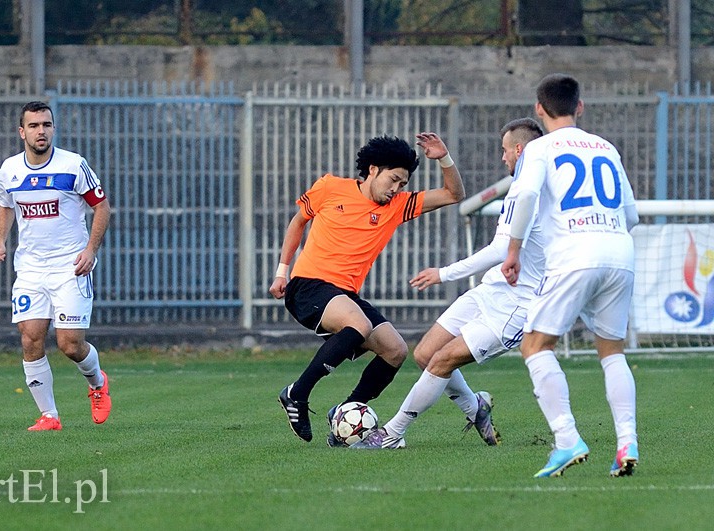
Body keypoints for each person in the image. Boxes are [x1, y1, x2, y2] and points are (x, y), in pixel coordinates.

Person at [352, 118, 545, 450]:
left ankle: (391, 433)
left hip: (518, 306)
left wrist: (444, 273)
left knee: (443, 360)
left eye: (504, 151)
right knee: (426, 354)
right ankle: (476, 408)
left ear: (520, 149)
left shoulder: (535, 189)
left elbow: (501, 250)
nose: (503, 159)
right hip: (491, 290)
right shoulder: (521, 186)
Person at [270, 133, 466, 444]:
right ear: (373, 169)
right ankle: (297, 393)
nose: (396, 189)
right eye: (393, 180)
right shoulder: (330, 187)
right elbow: (298, 222)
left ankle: (345, 414)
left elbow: (453, 194)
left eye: (402, 184)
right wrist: (282, 272)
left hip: (344, 296)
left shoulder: (398, 206)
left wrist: (444, 158)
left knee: (395, 350)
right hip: (307, 287)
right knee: (358, 323)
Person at [501, 74, 640, 477]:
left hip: (575, 251)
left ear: (539, 110)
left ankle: (566, 439)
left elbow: (525, 196)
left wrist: (514, 251)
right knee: (612, 350)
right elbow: (631, 215)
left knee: (535, 345)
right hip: (619, 250)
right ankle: (626, 441)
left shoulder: (539, 148)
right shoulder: (606, 147)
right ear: (581, 107)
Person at [0, 101, 112, 431]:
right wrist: (1, 240)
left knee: (69, 343)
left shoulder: (73, 165)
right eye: (34, 126)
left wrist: (89, 250)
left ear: (53, 128)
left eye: (46, 124)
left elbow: (102, 208)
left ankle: (98, 383)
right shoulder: (10, 169)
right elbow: (4, 204)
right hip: (29, 269)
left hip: (70, 266)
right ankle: (49, 416)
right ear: (22, 132)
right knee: (30, 339)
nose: (40, 131)